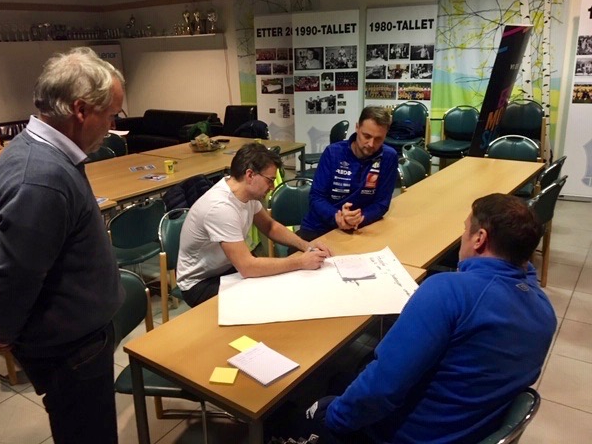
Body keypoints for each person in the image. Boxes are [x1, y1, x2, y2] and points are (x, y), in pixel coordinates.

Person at [282, 193, 556, 444]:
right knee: (344, 377)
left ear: (479, 239)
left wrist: (332, 418)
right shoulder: (544, 311)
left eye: (465, 230)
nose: (462, 237)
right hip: (471, 429)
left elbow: (382, 389)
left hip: (407, 435)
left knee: (295, 415)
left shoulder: (447, 292)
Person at [0, 47, 125, 444]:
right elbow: (16, 273)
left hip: (76, 341)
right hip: (72, 351)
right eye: (111, 115)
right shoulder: (42, 178)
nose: (112, 127)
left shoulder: (40, 154)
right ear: (81, 110)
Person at [177, 143, 331, 307]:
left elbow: (270, 227)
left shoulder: (246, 194)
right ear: (250, 175)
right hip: (200, 283)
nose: (272, 187)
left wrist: (306, 246)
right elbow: (247, 267)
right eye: (270, 180)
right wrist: (300, 262)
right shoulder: (221, 208)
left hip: (227, 267)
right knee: (264, 301)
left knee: (278, 286)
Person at [297, 107, 398, 242]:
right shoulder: (333, 152)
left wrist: (360, 218)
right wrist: (337, 216)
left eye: (378, 139)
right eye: (366, 136)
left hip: (360, 228)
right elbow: (316, 197)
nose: (371, 144)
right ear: (357, 128)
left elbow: (381, 203)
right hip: (319, 228)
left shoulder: (389, 157)